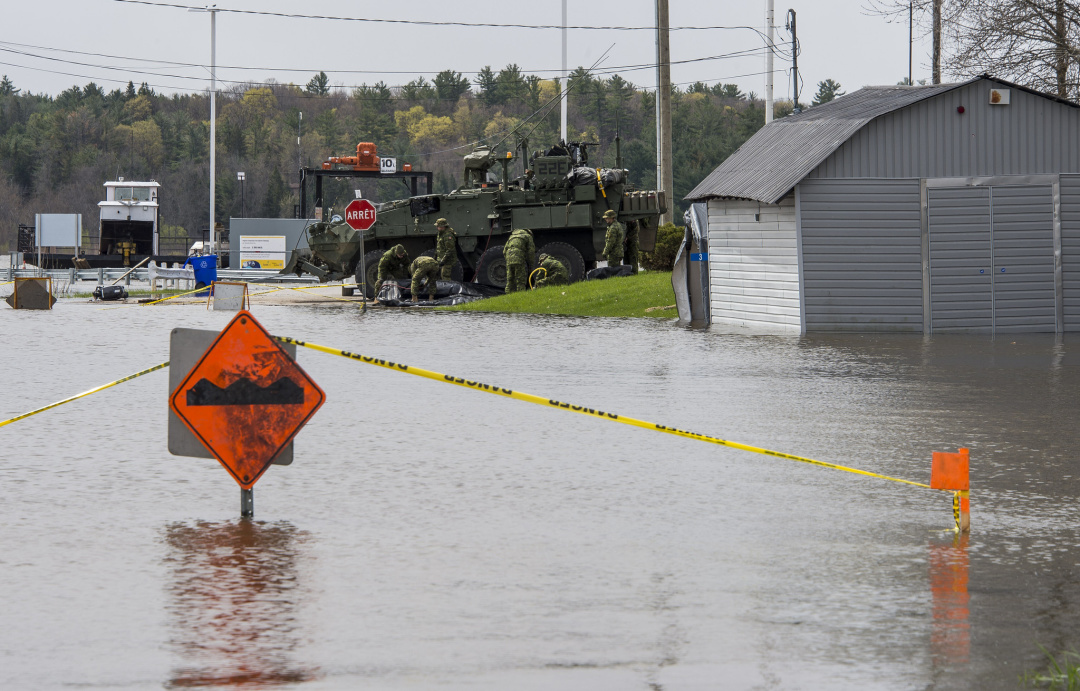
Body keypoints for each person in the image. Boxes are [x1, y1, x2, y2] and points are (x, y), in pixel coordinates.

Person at [502, 228, 535, 293]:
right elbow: (531, 252)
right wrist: (530, 264)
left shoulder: (512, 237)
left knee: (510, 279)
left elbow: (504, 251)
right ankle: (521, 294)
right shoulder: (528, 236)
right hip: (519, 257)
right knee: (520, 279)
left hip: (509, 257)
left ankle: (508, 294)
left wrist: (508, 259)